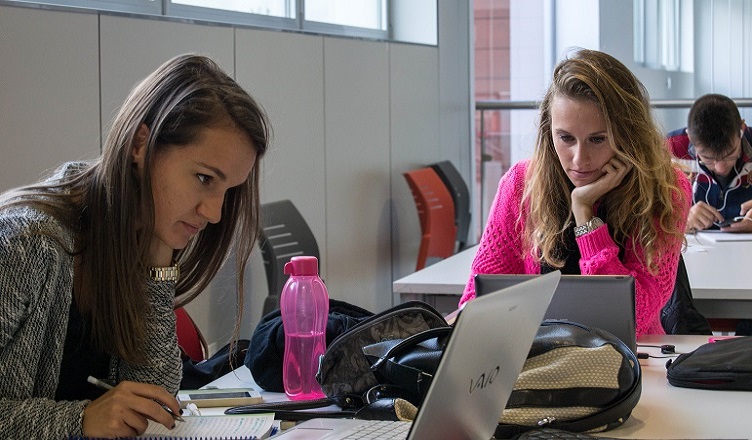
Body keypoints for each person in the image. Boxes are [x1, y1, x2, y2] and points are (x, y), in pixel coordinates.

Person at [0, 54, 269, 438]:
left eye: (228, 191)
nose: (214, 213)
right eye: (205, 178)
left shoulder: (139, 239)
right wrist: (79, 420)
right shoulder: (25, 245)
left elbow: (154, 398)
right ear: (142, 143)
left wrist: (157, 260)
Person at [459, 49, 690, 337]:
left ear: (628, 135)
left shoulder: (667, 189)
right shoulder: (520, 184)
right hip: (537, 357)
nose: (580, 159)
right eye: (566, 138)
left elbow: (633, 316)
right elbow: (478, 298)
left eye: (598, 139)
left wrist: (585, 215)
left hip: (634, 360)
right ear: (549, 131)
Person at [666, 93, 752, 232]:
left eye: (729, 155)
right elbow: (643, 217)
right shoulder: (669, 151)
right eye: (708, 158)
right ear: (690, 137)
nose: (720, 168)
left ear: (741, 130)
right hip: (692, 249)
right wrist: (681, 220)